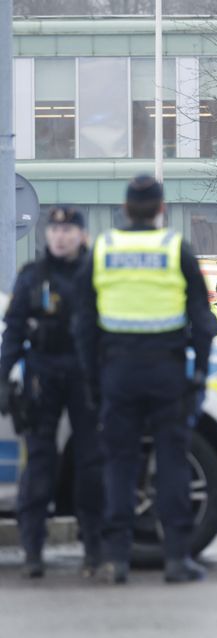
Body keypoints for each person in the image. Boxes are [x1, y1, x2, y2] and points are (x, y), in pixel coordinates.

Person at [74, 175, 217, 584]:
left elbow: (84, 324)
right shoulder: (176, 249)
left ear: (124, 207)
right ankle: (175, 558)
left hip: (117, 372)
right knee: (172, 461)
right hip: (166, 371)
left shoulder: (103, 249)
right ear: (161, 209)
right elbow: (203, 322)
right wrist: (200, 373)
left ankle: (116, 559)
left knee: (119, 463)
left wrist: (92, 378)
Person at [0, 206, 103, 579]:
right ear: (47, 236)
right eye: (54, 229)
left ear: (81, 234)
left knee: (91, 464)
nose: (60, 236)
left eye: (68, 229)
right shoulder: (32, 277)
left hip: (85, 376)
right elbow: (12, 331)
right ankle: (33, 552)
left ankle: (93, 550)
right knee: (40, 464)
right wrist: (2, 377)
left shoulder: (96, 275)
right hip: (41, 375)